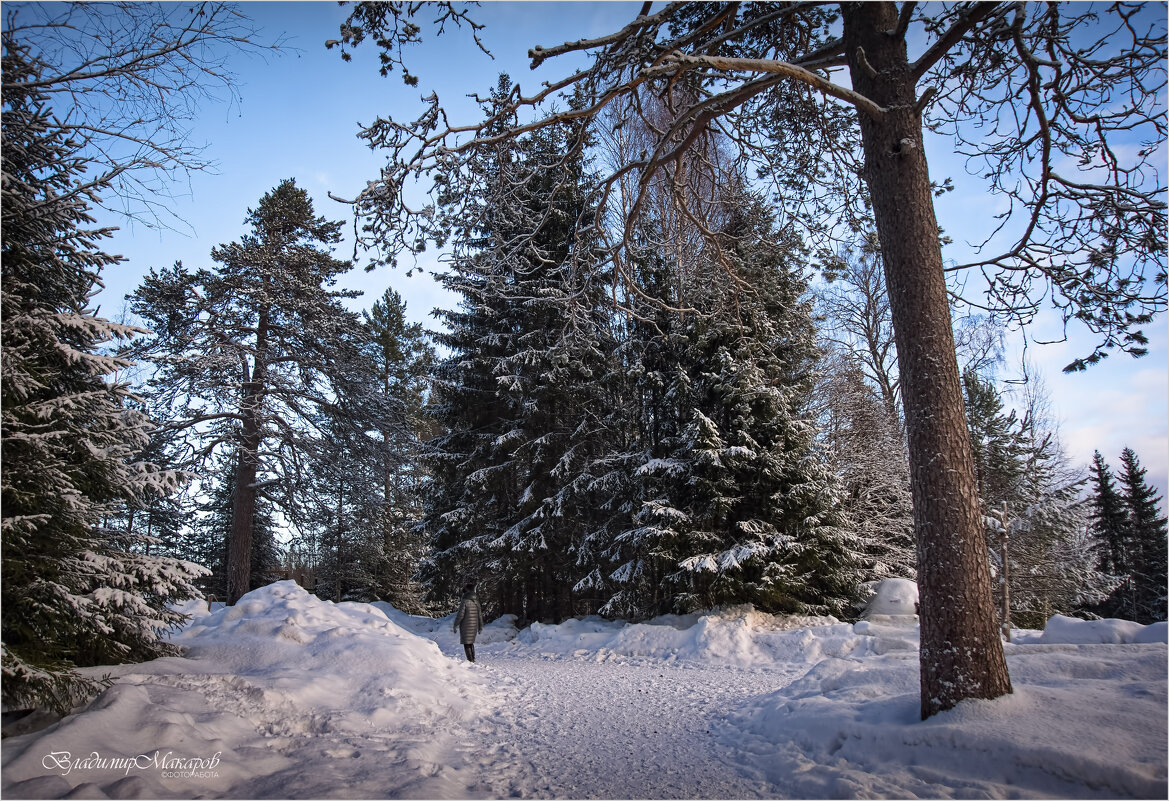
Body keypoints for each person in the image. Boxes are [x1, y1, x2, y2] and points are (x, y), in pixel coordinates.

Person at [452, 582, 483, 662]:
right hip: (474, 626)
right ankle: (473, 658)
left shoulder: (465, 602)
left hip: (465, 626)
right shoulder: (476, 602)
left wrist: (455, 625)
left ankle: (470, 660)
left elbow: (460, 615)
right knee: (471, 642)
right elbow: (479, 616)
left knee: (466, 643)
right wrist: (480, 627)